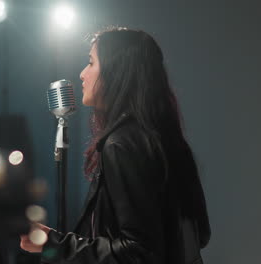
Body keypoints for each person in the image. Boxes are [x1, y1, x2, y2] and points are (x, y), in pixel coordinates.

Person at [20, 27, 211, 264]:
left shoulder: (121, 145)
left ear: (116, 72)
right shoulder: (166, 140)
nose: (82, 74)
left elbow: (139, 251)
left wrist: (55, 243)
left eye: (91, 63)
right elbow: (200, 234)